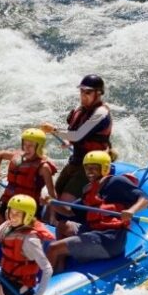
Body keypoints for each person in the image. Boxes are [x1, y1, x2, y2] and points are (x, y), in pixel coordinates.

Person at [47, 150, 148, 273]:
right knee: (62, 225)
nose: (90, 172)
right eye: (87, 168)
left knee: (53, 248)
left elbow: (145, 199)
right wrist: (52, 203)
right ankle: (61, 265)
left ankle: (49, 281)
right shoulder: (89, 190)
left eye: (94, 168)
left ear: (105, 168)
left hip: (109, 240)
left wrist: (131, 210)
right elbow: (69, 213)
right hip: (92, 232)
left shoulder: (116, 182)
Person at [40, 74, 113, 203]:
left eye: (88, 92)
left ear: (98, 93)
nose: (83, 95)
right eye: (82, 91)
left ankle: (68, 218)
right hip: (76, 160)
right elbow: (74, 133)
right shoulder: (80, 109)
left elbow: (78, 135)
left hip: (93, 165)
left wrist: (54, 130)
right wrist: (70, 140)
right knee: (53, 194)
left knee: (64, 200)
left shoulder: (101, 113)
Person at [0, 128, 58, 238]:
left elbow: (52, 195)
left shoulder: (44, 167)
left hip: (27, 212)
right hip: (7, 205)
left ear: (39, 147)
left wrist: (53, 217)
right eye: (25, 144)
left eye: (31, 145)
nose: (26, 148)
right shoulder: (17, 156)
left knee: (15, 237)